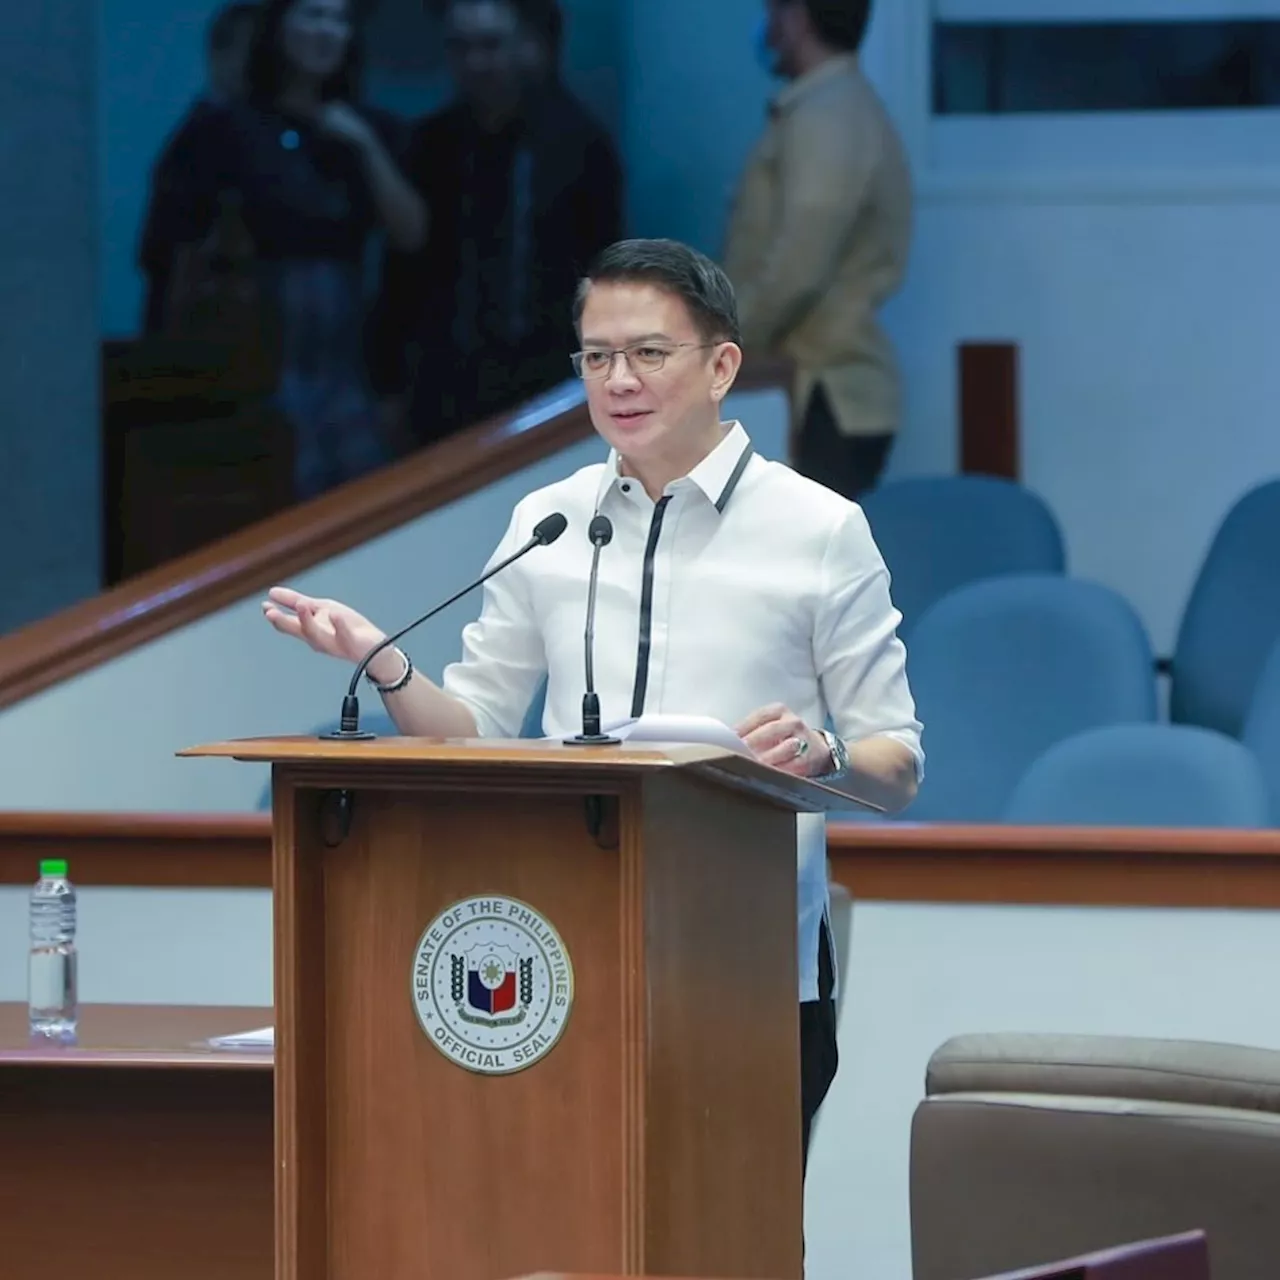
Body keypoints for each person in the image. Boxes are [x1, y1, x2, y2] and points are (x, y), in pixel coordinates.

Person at [264, 237, 923, 1171]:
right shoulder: (550, 520)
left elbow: (896, 764)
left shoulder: (819, 528)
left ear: (722, 365)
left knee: (733, 1242)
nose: (619, 380)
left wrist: (825, 752)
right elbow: (479, 730)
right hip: (557, 954)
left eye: (650, 353)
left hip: (745, 961)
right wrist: (388, 667)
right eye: (597, 357)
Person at [142, 0, 427, 499]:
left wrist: (363, 145)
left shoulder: (369, 127)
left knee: (363, 507)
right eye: (312, 16)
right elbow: (174, 250)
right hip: (257, 356)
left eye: (340, 19)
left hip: (349, 361)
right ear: (278, 27)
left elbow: (412, 234)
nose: (327, 32)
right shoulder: (225, 126)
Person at [367, 0, 623, 448]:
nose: (476, 62)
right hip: (444, 386)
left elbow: (605, 273)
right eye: (460, 47)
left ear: (522, 46)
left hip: (546, 382)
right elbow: (402, 273)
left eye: (490, 45)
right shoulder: (431, 145)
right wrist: (387, 384)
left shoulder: (578, 143)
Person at [725, 0, 912, 501]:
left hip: (826, 396)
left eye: (773, 10)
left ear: (797, 17)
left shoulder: (830, 115)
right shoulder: (820, 107)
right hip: (810, 390)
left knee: (813, 570)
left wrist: (717, 348)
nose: (766, 26)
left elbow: (797, 268)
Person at [138, 1, 260, 332]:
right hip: (202, 323)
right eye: (253, 52)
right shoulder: (210, 133)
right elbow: (173, 250)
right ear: (218, 56)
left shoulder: (206, 129)